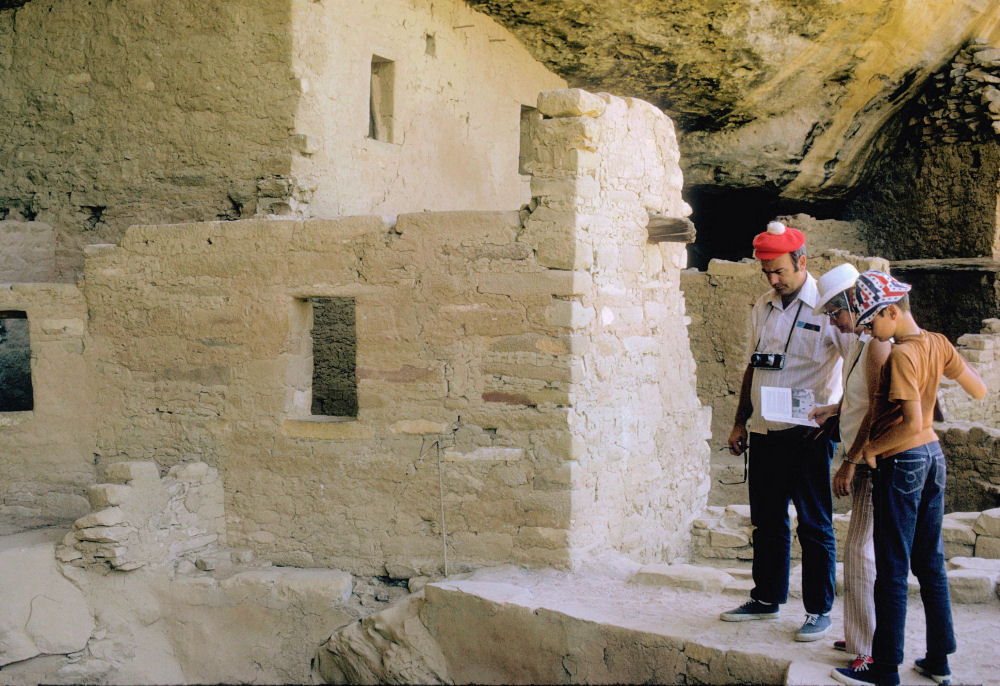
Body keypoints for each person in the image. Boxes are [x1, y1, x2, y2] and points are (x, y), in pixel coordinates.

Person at [831, 271, 987, 686]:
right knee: (930, 562)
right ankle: (939, 660)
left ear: (892, 312)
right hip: (934, 458)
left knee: (893, 568)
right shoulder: (937, 342)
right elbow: (978, 390)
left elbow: (912, 423)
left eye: (871, 323)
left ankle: (884, 669)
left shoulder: (901, 354)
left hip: (903, 461)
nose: (868, 331)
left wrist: (869, 451)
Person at [720, 221, 853, 642]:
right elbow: (753, 366)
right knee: (767, 522)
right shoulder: (763, 305)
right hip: (764, 429)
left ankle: (818, 610)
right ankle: (767, 598)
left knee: (814, 525)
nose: (774, 280)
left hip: (807, 434)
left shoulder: (827, 308)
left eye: (780, 271)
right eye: (768, 273)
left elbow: (858, 366)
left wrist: (839, 412)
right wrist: (741, 420)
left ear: (802, 262)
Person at [808, 264, 891, 674]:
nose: (833, 322)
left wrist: (850, 461)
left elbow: (877, 410)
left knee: (860, 552)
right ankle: (860, 635)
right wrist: (835, 410)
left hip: (874, 461)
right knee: (860, 550)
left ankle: (869, 649)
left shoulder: (876, 344)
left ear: (854, 305)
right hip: (866, 458)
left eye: (835, 313)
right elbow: (859, 398)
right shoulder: (860, 343)